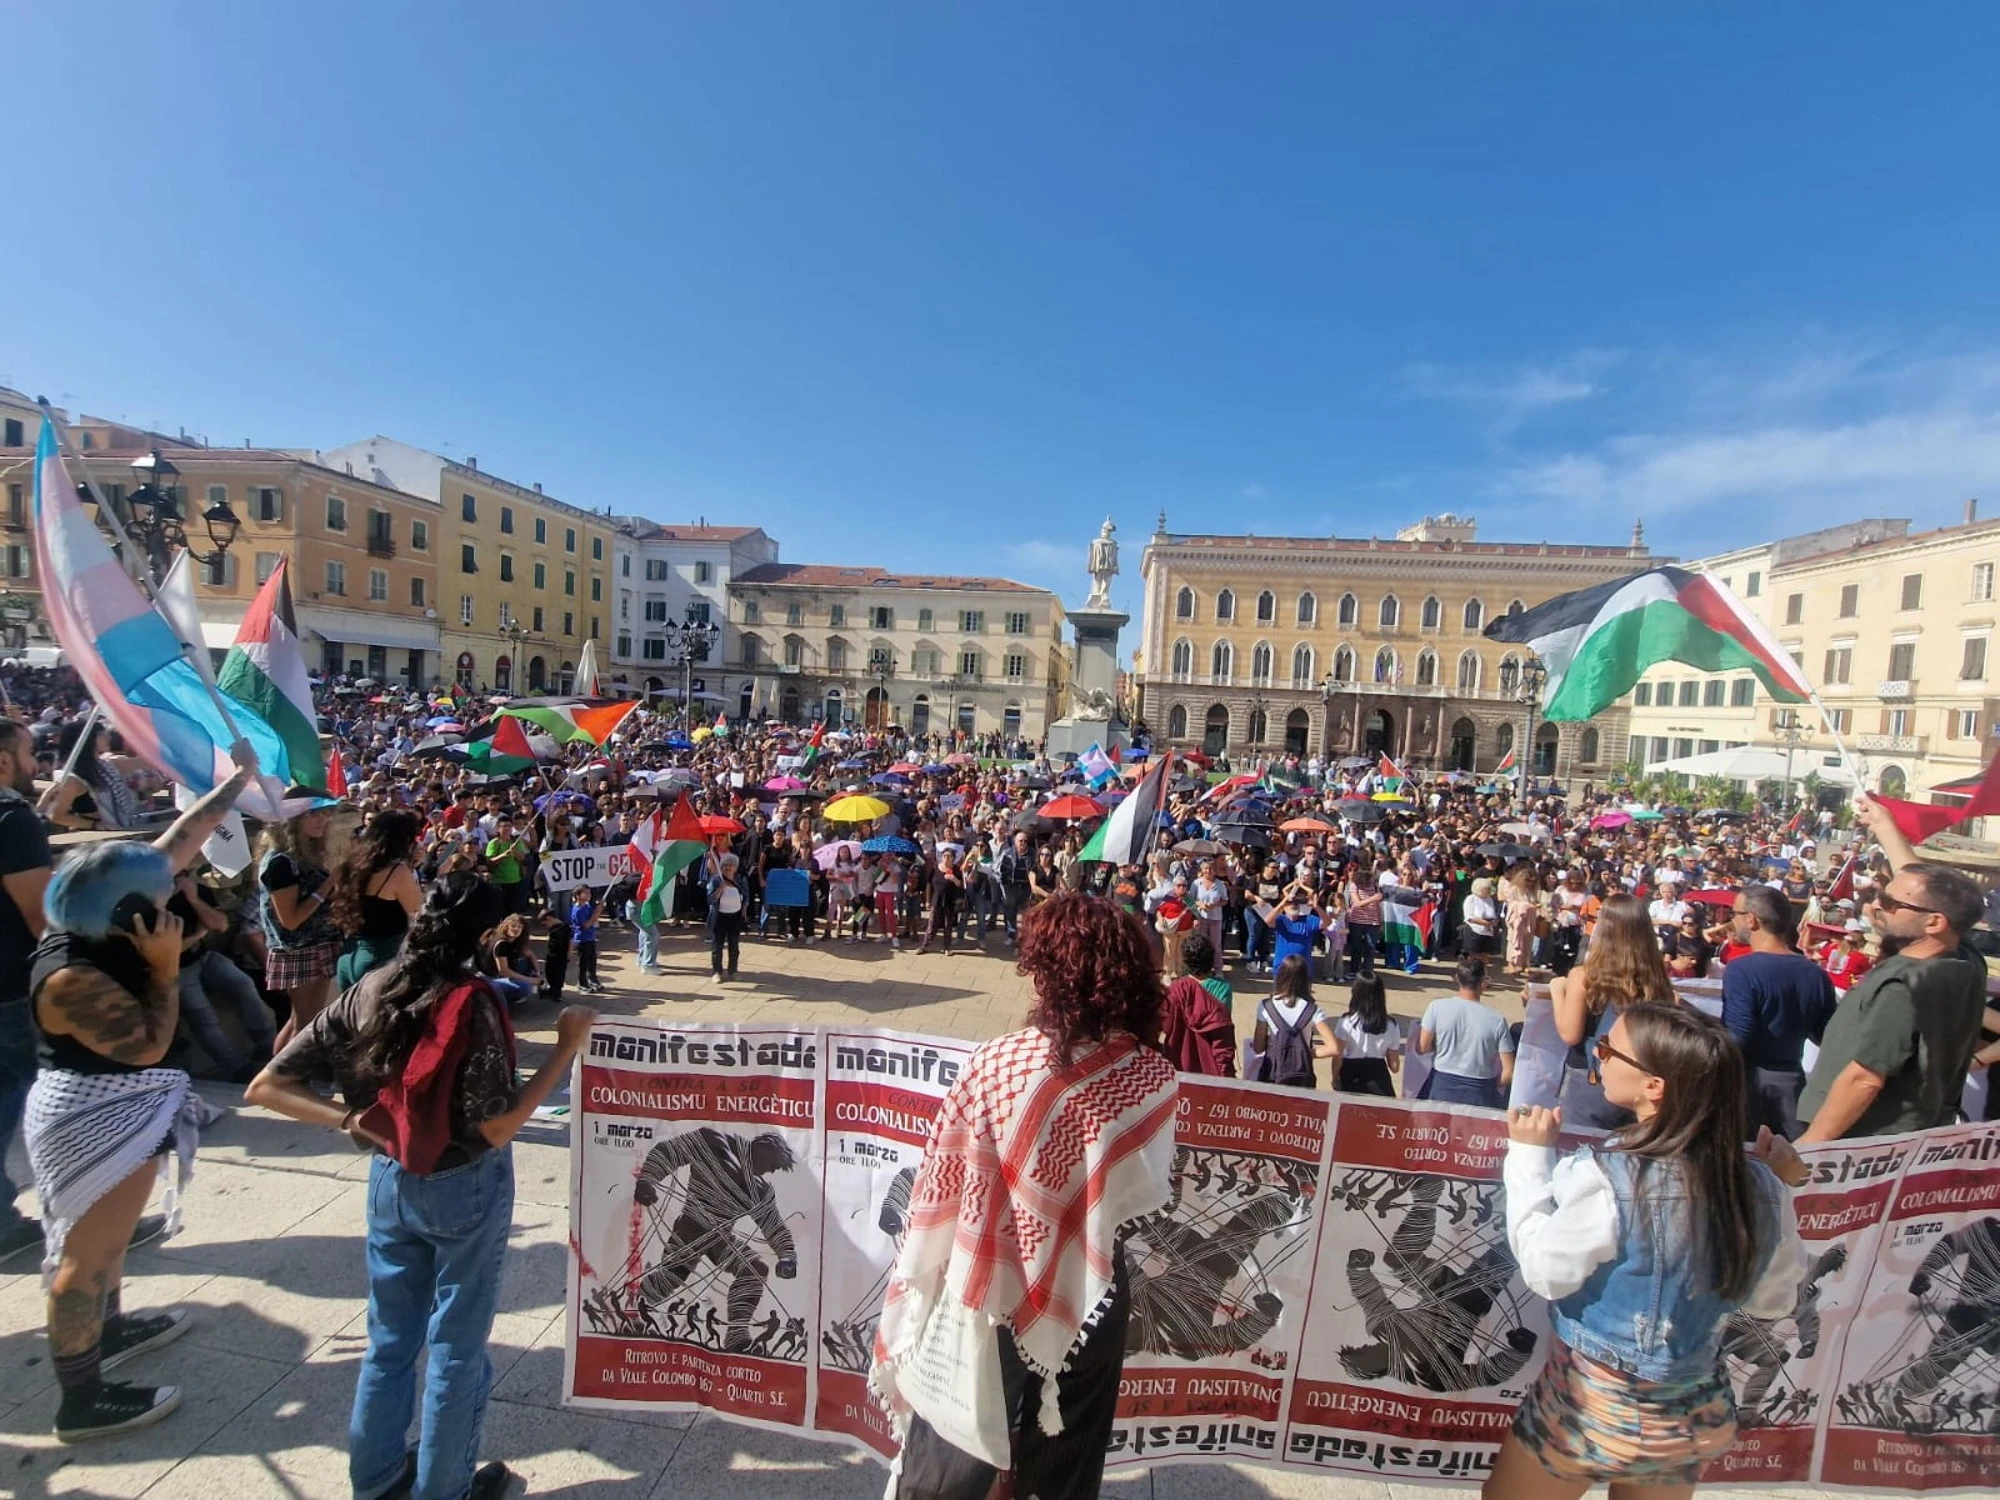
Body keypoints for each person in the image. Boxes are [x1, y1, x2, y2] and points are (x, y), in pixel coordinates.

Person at [247, 873, 597, 1500]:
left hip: (389, 1176)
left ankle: (377, 1480)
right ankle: (445, 1489)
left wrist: (354, 1123)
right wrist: (566, 1048)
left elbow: (267, 1086)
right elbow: (497, 1126)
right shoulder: (472, 1002)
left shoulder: (372, 987)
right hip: (463, 1183)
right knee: (457, 1351)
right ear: (486, 936)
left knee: (388, 1342)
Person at [871, 892, 1178, 1500]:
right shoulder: (1151, 1075)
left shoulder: (996, 1061)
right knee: (1065, 1466)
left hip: (981, 1289)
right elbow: (1144, 1197)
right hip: (1089, 1296)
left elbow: (941, 1185)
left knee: (948, 1466)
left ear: (1052, 972)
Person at [23, 747, 261, 1439]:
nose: (176, 899)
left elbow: (179, 841)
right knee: (84, 1256)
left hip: (129, 1103)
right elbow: (150, 1042)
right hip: (92, 1115)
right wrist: (161, 969)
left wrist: (238, 782)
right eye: (163, 902)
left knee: (114, 1243)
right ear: (129, 916)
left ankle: (114, 1328)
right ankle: (81, 1397)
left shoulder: (102, 912)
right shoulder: (72, 978)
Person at [1487, 1004, 1808, 1500]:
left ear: (1653, 1086)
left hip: (1591, 1406)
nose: (1600, 1055)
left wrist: (1528, 1157)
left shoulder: (1605, 1177)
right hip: (1688, 1415)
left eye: (1609, 1049)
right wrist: (1778, 1188)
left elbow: (1545, 1272)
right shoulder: (1762, 1187)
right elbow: (1773, 1302)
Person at [1798, 799, 1988, 1143]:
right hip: (1910, 1135)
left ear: (1933, 922)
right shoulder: (1964, 958)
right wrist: (1884, 826)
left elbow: (1865, 1079)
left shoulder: (1905, 984)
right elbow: (1924, 887)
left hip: (1859, 1139)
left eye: (1890, 904)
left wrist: (1810, 1146)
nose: (1876, 906)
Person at [1723, 885, 1840, 1141]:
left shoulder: (1741, 969)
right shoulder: (1816, 974)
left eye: (1734, 913)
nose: (1732, 920)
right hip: (1794, 1086)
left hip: (1751, 1087)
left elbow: (1737, 1037)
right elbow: (1828, 1035)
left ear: (1751, 919)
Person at [1549, 894, 1673, 1132]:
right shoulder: (1656, 980)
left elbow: (1569, 1034)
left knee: (1580, 1150)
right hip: (1640, 1084)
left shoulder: (1584, 975)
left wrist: (1557, 992)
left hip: (1590, 1078)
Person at [170, 871, 275, 1083]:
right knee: (202, 1016)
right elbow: (168, 951)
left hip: (204, 956)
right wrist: (199, 933)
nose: (184, 878)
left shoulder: (193, 890)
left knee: (242, 984)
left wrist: (193, 899)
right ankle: (238, 1070)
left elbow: (220, 924)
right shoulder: (150, 901)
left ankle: (268, 1048)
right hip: (174, 968)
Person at [259, 796, 342, 1051]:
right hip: (298, 951)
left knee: (305, 1020)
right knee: (304, 1023)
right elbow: (290, 919)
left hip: (318, 946)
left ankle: (279, 1076)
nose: (323, 820)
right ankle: (281, 1079)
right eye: (313, 814)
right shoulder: (281, 862)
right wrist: (328, 885)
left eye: (326, 814)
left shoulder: (303, 856)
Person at [330, 809, 424, 991]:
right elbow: (420, 914)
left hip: (348, 957)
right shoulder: (397, 872)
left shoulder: (352, 865)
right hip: (380, 960)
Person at [1415, 957, 1516, 1110]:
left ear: (1457, 979)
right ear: (1484, 982)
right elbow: (1509, 1071)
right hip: (1480, 1091)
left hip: (1440, 1085)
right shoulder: (1497, 1020)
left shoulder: (1436, 1007)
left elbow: (1422, 1047)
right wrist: (1490, 1086)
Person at [43, 718, 145, 832]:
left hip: (120, 829)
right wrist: (93, 825)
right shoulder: (73, 779)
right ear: (87, 740)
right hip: (97, 836)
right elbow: (55, 815)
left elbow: (147, 762)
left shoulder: (105, 765)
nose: (108, 737)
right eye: (101, 734)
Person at [1251, 954, 1337, 1089]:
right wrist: (1306, 1053)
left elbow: (1258, 1047)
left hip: (1273, 1074)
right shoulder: (1313, 1010)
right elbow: (1333, 1048)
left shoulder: (1266, 1007)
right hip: (1302, 1076)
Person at [1160, 932, 1236, 1076]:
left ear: (1185, 961)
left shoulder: (1175, 989)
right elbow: (1223, 1031)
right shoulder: (1223, 988)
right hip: (1211, 1071)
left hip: (1177, 1065)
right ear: (1211, 959)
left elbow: (1165, 1027)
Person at [1329, 973, 1403, 1096]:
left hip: (1351, 1072)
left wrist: (1335, 1076)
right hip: (1378, 1073)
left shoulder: (1347, 1021)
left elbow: (1338, 1055)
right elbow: (1394, 1067)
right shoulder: (1390, 1024)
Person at [705, 850, 750, 980]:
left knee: (734, 946)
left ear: (735, 867)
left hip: (735, 917)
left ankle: (733, 970)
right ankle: (717, 972)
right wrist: (720, 889)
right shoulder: (716, 880)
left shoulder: (740, 880)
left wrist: (744, 912)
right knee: (717, 946)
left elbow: (746, 897)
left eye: (731, 865)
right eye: (725, 865)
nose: (728, 867)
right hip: (719, 917)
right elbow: (710, 900)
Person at [482, 816, 530, 917]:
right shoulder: (494, 843)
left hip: (515, 880)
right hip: (498, 881)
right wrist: (502, 856)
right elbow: (489, 861)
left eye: (508, 826)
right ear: (498, 828)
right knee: (499, 909)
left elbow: (522, 858)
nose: (506, 828)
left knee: (513, 909)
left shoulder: (516, 842)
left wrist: (515, 851)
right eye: (503, 826)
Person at [569, 886, 603, 994]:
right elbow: (586, 925)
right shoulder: (577, 910)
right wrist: (597, 913)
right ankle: (582, 983)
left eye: (589, 893)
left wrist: (598, 910)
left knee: (592, 960)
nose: (589, 895)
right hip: (582, 939)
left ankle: (592, 979)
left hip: (590, 937)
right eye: (585, 893)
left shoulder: (587, 906)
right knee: (583, 962)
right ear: (578, 896)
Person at [1459, 877, 1500, 958]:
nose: (1489, 891)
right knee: (1473, 956)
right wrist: (1486, 923)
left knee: (1485, 956)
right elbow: (1469, 917)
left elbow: (1493, 914)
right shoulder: (1471, 899)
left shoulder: (1490, 899)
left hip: (1488, 931)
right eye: (1486, 889)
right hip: (1474, 930)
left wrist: (1495, 922)